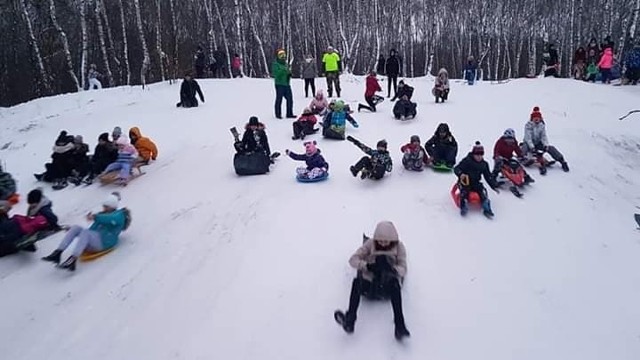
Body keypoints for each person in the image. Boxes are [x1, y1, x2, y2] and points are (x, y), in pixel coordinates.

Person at [334, 221, 410, 340]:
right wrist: (367, 266)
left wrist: (392, 269)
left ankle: (399, 326)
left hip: (387, 287)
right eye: (380, 241)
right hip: (370, 284)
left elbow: (403, 268)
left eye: (386, 241)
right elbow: (352, 260)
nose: (383, 244)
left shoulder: (399, 247)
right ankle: (350, 320)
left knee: (395, 285)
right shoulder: (370, 244)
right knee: (356, 282)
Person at [42, 192, 128, 271]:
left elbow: (110, 219)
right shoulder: (103, 214)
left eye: (106, 206)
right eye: (104, 206)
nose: (104, 208)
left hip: (105, 242)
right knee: (76, 228)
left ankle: (73, 260)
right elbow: (92, 230)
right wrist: (73, 231)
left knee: (85, 232)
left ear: (112, 206)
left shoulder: (119, 215)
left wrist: (95, 217)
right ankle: (58, 253)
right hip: (97, 240)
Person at [453, 142, 500, 217]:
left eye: (481, 154)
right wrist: (461, 174)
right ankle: (463, 205)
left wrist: (493, 185)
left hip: (475, 182)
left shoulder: (484, 164)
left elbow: (488, 176)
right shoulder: (467, 161)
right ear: (473, 154)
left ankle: (486, 207)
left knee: (482, 191)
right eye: (477, 154)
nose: (479, 156)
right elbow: (456, 168)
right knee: (464, 191)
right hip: (465, 181)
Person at [521, 107, 569, 174]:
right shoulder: (528, 126)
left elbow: (544, 136)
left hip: (538, 143)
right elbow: (528, 137)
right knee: (524, 147)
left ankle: (562, 160)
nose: (537, 120)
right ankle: (523, 158)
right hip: (529, 143)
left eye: (538, 118)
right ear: (532, 119)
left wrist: (545, 145)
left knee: (551, 148)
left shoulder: (541, 126)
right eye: (535, 118)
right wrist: (532, 147)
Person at [272, 49, 295, 119]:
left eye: (284, 55)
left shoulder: (286, 64)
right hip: (279, 84)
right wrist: (283, 70)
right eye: (281, 55)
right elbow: (276, 74)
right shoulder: (275, 64)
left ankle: (289, 113)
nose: (283, 57)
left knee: (290, 99)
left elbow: (288, 71)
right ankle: (278, 114)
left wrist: (289, 74)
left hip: (287, 84)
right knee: (279, 99)